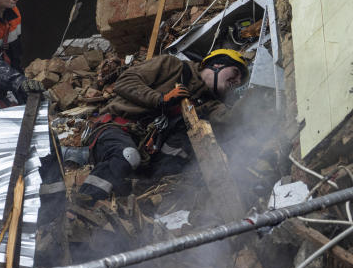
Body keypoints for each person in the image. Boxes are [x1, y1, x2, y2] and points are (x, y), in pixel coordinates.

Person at [78, 49, 249, 202]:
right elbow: (125, 82)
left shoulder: (210, 104)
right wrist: (161, 99)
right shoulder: (173, 66)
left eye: (241, 80)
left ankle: (148, 190)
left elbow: (230, 121)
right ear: (217, 64)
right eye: (235, 72)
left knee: (184, 149)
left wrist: (255, 99)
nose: (237, 80)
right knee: (126, 155)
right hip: (116, 128)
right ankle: (82, 208)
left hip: (148, 154)